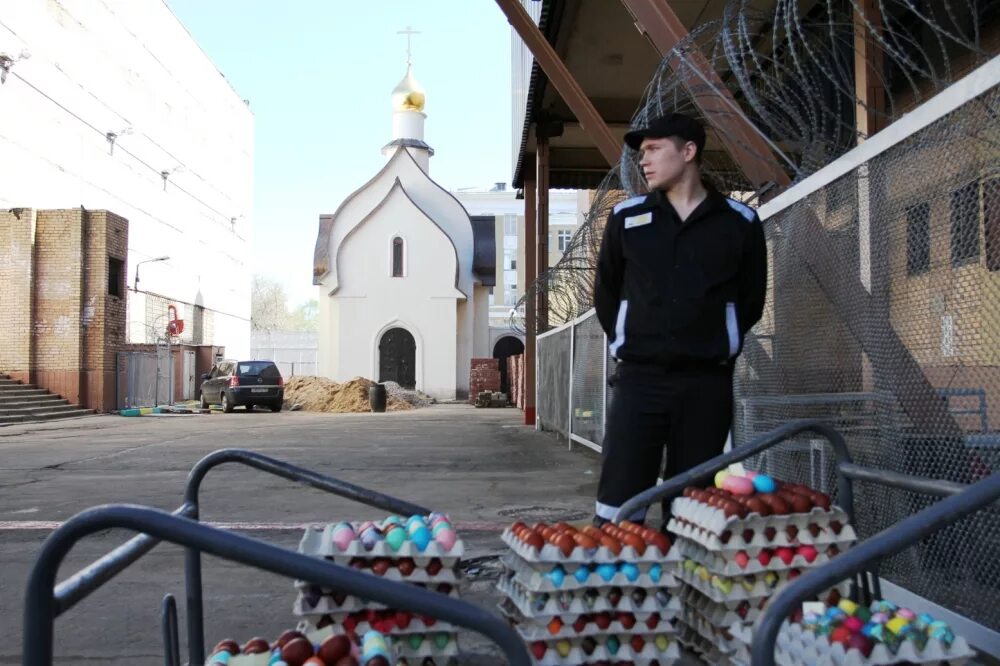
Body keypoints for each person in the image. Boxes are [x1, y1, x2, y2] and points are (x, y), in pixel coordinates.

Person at [592, 113, 767, 528]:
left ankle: (684, 583)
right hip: (639, 380)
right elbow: (607, 295)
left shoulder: (739, 224)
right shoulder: (627, 220)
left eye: (654, 149)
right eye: (642, 152)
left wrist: (714, 341)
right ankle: (615, 585)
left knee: (694, 502)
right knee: (620, 495)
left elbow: (750, 302)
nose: (644, 160)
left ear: (688, 151)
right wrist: (632, 338)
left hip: (706, 385)